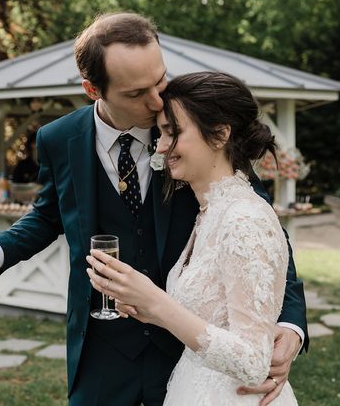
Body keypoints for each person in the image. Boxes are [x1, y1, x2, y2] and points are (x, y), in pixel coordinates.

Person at [0, 13, 308, 405]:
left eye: (160, 80)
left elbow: (264, 232)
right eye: (137, 93)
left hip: (188, 349)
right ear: (92, 89)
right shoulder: (58, 139)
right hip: (102, 348)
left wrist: (289, 324)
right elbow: (48, 215)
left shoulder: (195, 130)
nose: (157, 102)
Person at [87, 71, 300, 404]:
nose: (160, 146)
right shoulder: (208, 212)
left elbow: (253, 362)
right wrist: (148, 308)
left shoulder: (244, 219)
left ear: (219, 135)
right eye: (160, 133)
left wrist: (159, 303)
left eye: (173, 132)